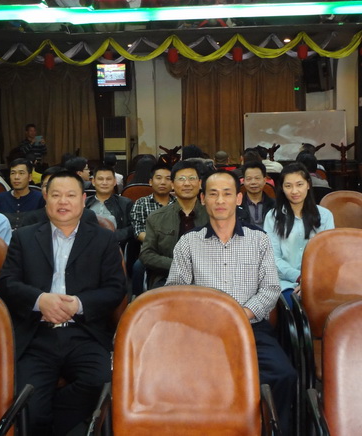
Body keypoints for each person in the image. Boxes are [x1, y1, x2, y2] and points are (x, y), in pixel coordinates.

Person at [166, 169, 297, 436]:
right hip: (203, 332)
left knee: (284, 375)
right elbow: (175, 293)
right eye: (213, 194)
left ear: (238, 198)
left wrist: (242, 314)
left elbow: (271, 288)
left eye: (227, 194)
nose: (220, 200)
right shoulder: (188, 243)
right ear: (203, 199)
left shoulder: (258, 239)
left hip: (250, 328)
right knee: (188, 378)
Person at [0, 171, 126, 436]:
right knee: (28, 406)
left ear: (83, 200)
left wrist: (79, 304)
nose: (63, 201)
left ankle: (51, 422)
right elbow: (6, 283)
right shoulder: (24, 237)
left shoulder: (104, 239)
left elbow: (116, 289)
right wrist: (39, 300)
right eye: (56, 195)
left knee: (101, 383)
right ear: (45, 198)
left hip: (85, 333)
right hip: (37, 335)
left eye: (70, 195)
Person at [263, 163, 334, 306]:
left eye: (299, 184)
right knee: (293, 304)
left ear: (308, 184)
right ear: (282, 188)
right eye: (288, 186)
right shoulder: (273, 216)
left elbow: (328, 256)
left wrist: (309, 280)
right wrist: (299, 277)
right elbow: (272, 257)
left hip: (318, 280)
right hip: (285, 281)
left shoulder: (325, 215)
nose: (294, 191)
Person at [140, 161, 208, 289]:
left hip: (206, 280)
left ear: (200, 183)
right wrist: (178, 265)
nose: (187, 183)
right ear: (172, 184)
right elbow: (147, 254)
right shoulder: (156, 218)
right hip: (166, 278)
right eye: (181, 179)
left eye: (192, 178)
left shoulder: (212, 216)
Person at [129, 163, 174, 296]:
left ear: (173, 183)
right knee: (138, 267)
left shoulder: (178, 203)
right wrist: (159, 244)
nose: (163, 182)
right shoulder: (141, 203)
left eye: (168, 178)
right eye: (158, 178)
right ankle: (137, 299)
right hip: (150, 250)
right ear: (150, 182)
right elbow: (138, 231)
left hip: (175, 249)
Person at [85, 165, 133, 247]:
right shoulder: (84, 203)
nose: (104, 183)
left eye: (108, 179)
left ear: (114, 182)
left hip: (115, 245)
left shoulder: (125, 203)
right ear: (93, 181)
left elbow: (132, 228)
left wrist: (111, 237)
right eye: (100, 179)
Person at [0, 158, 46, 230]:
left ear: (30, 177)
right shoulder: (0, 198)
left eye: (21, 173)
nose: (16, 177)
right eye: (13, 173)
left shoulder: (40, 198)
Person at [237, 161, 275, 228]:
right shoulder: (236, 206)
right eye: (249, 179)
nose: (253, 182)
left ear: (264, 180)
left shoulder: (275, 205)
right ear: (243, 181)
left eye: (257, 178)